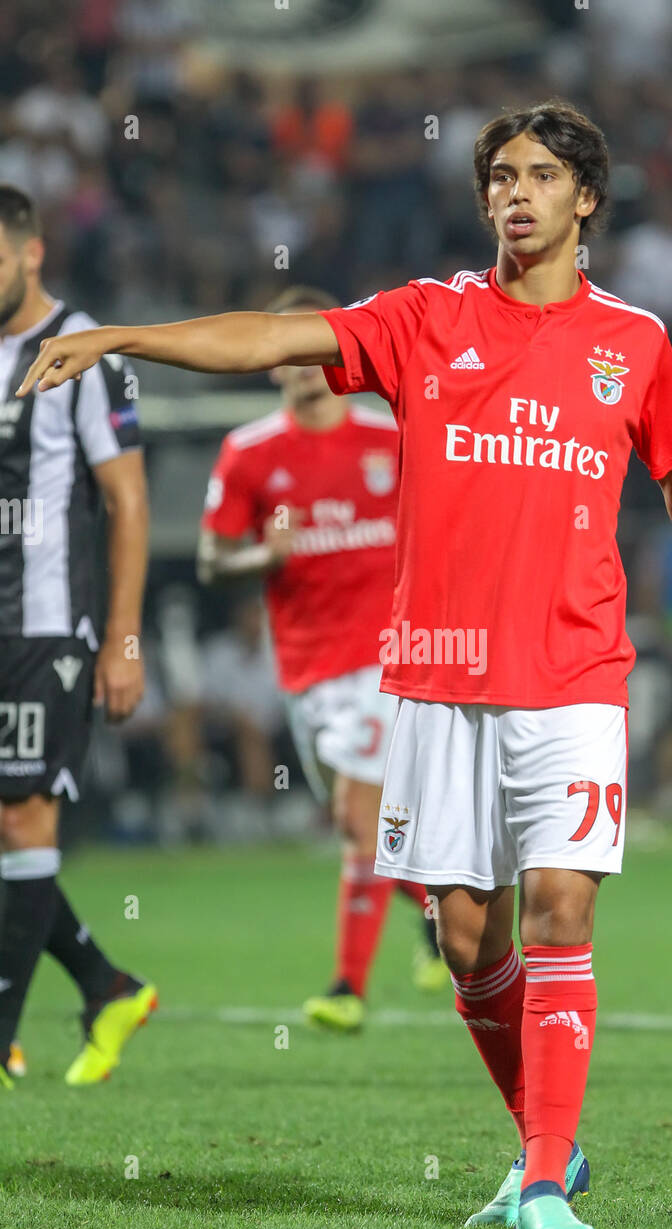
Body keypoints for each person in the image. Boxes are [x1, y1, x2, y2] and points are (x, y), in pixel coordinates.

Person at [16, 100, 672, 1229]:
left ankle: (534, 1181)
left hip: (573, 673)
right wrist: (125, 336)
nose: (512, 194)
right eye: (498, 178)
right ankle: (550, 1147)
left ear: (585, 200)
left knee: (562, 903)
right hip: (432, 683)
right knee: (469, 941)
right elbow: (273, 340)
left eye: (537, 176)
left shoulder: (632, 342)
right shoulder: (424, 320)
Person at [197, 285, 447, 1030]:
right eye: (292, 356)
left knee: (355, 817)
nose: (306, 369)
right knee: (359, 830)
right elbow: (212, 559)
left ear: (339, 361)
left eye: (319, 354)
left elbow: (445, 531)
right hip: (305, 671)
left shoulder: (392, 441)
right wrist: (260, 558)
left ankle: (346, 987)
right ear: (275, 366)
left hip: (387, 660)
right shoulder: (250, 454)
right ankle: (443, 911)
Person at [0, 184, 156, 1091]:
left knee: (24, 816)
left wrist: (123, 637)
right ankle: (106, 984)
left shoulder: (83, 351)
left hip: (48, 623)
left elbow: (127, 497)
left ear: (31, 254)